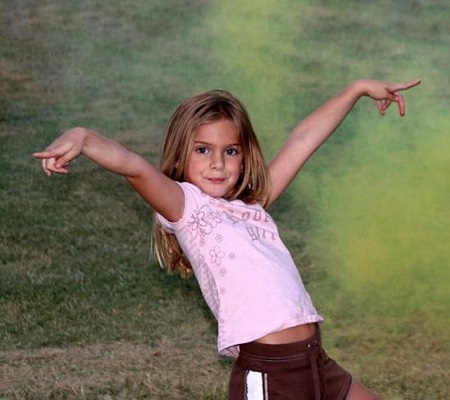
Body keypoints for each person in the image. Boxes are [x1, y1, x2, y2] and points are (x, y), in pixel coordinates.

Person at [33, 78, 420, 400]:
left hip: (314, 360)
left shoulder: (255, 204)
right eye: (203, 150)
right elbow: (134, 167)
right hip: (271, 374)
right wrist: (82, 137)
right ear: (182, 155)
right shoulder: (187, 208)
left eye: (230, 151)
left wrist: (355, 90)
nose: (217, 163)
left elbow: (302, 140)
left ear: (243, 155)